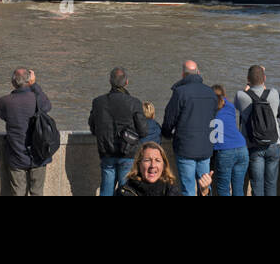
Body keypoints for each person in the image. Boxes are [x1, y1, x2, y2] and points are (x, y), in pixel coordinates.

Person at [160, 60, 219, 198]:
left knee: (188, 189)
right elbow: (214, 119)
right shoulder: (211, 93)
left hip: (186, 148)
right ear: (198, 72)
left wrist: (166, 134)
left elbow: (170, 119)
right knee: (205, 187)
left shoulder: (180, 92)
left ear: (183, 74)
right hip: (205, 148)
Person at [88, 67, 148, 197]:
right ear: (126, 82)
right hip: (128, 152)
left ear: (110, 81)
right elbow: (143, 130)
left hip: (106, 152)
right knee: (126, 191)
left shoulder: (98, 102)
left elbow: (92, 126)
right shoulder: (134, 102)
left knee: (106, 190)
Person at [0, 67, 52, 196]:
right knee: (37, 192)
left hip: (16, 154)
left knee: (18, 192)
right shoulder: (37, 99)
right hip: (38, 153)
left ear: (13, 82)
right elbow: (47, 106)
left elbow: (4, 117)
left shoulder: (4, 101)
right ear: (29, 81)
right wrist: (35, 85)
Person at [235, 65, 280, 197]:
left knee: (257, 184)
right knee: (271, 183)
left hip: (254, 145)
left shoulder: (241, 95)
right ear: (264, 78)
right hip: (273, 143)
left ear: (248, 79)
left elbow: (239, 106)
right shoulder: (274, 93)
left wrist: (248, 87)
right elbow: (264, 90)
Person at [116, 141, 208, 197]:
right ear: (138, 164)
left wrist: (203, 192)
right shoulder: (126, 191)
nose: (153, 165)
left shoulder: (170, 189)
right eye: (147, 160)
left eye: (157, 160)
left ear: (164, 166)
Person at [210, 84, 248, 196]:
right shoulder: (230, 106)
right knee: (238, 188)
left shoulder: (209, 109)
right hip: (242, 148)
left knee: (223, 189)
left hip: (225, 150)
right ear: (224, 94)